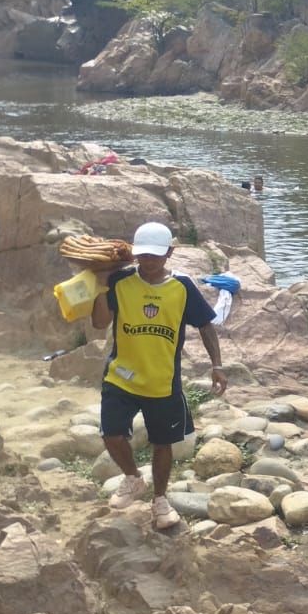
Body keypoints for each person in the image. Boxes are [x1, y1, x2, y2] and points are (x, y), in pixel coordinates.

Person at [95, 222, 227, 531]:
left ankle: (160, 499)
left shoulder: (182, 286)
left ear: (169, 252)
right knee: (111, 434)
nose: (148, 261)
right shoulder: (119, 281)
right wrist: (101, 284)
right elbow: (101, 322)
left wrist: (217, 365)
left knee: (162, 443)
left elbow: (206, 325)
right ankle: (131, 477)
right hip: (121, 376)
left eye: (155, 255)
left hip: (163, 381)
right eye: (142, 255)